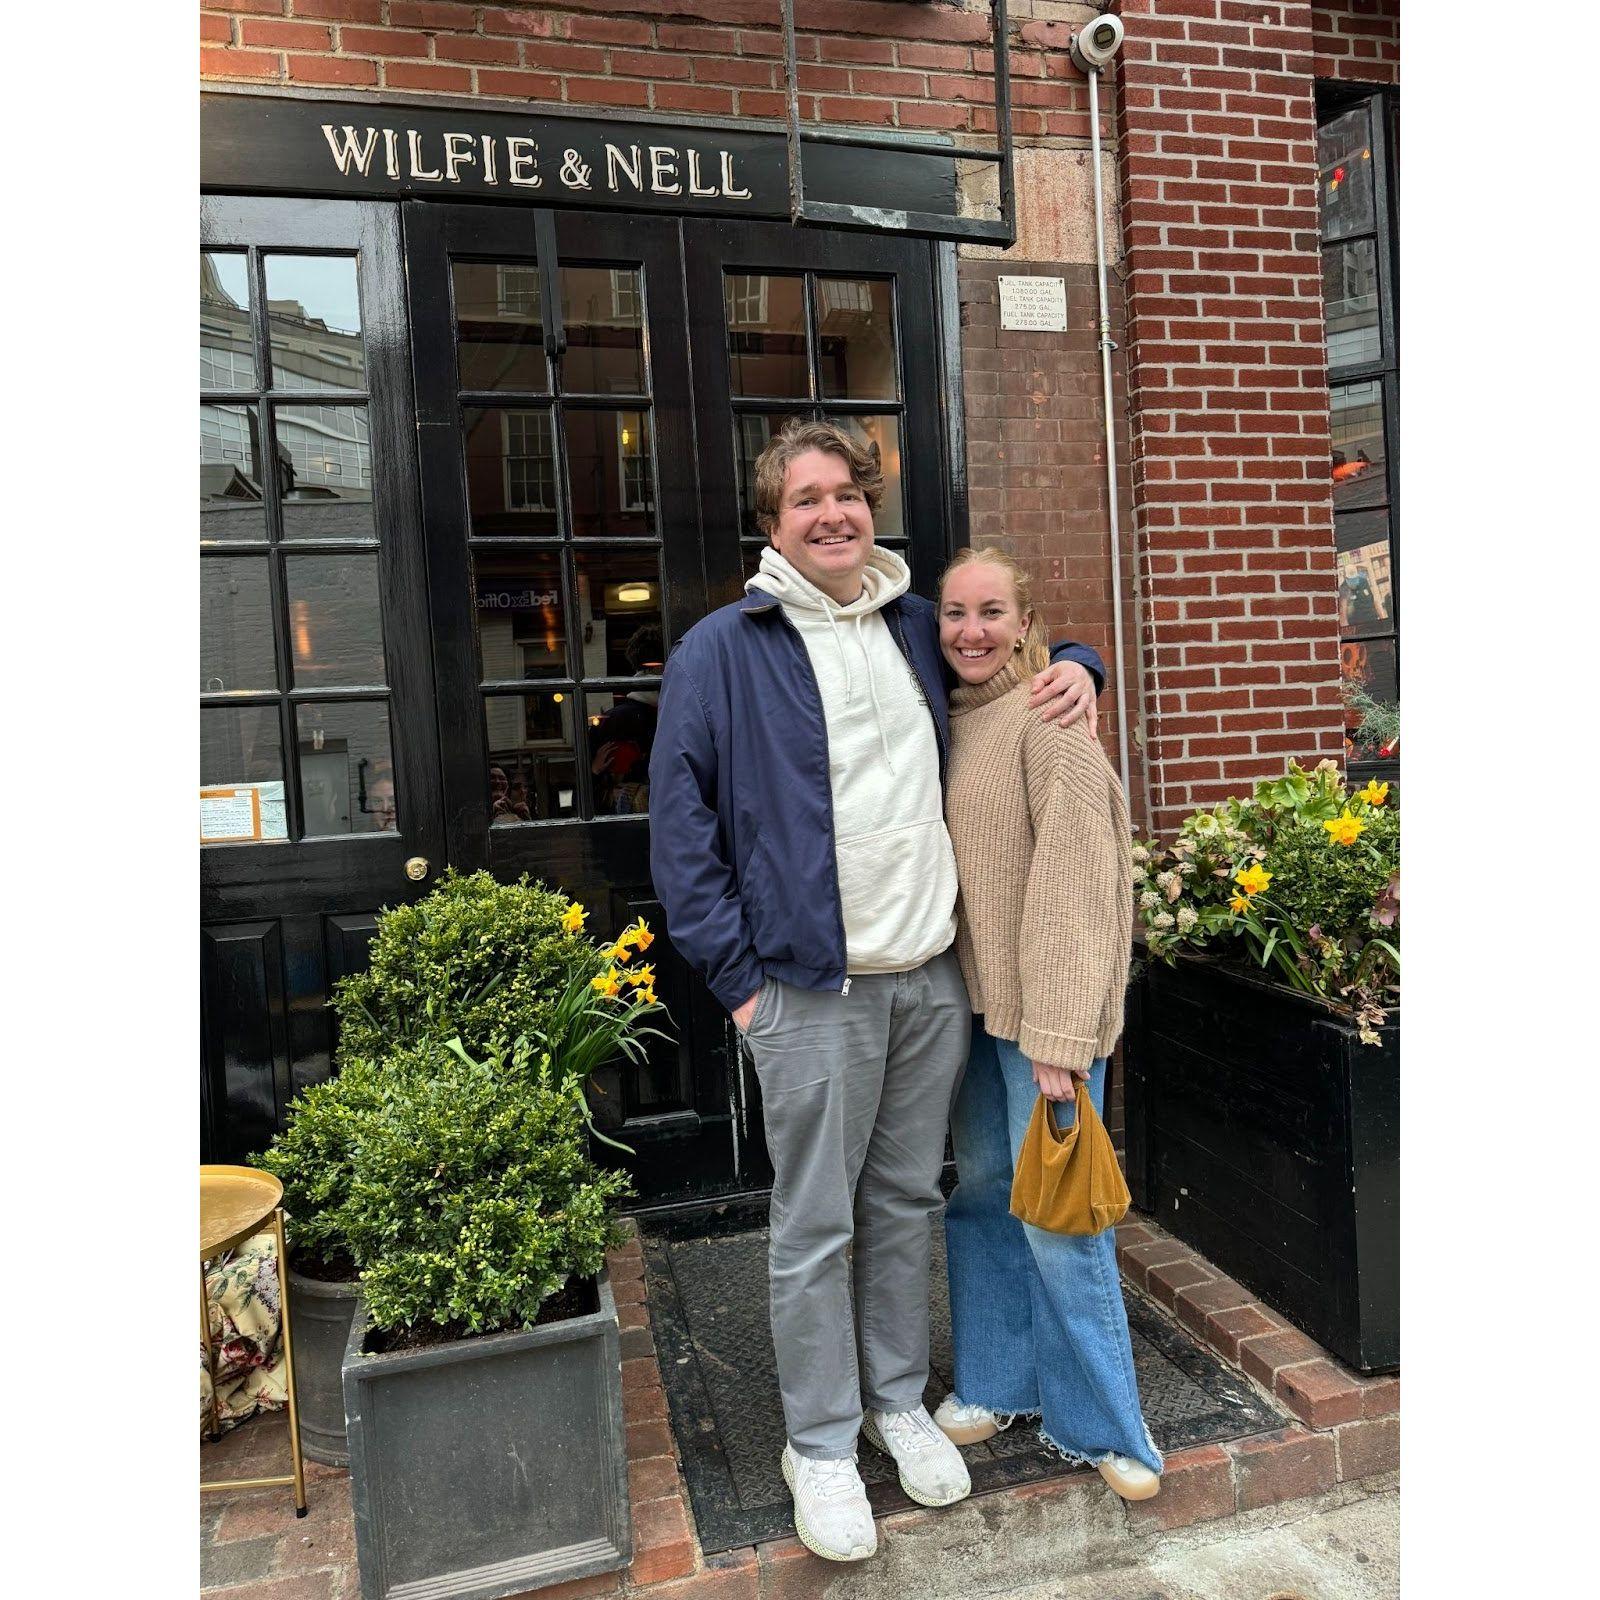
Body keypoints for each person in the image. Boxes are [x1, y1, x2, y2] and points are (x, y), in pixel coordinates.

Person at [648, 420, 1105, 1562]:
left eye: (846, 494)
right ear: (773, 525)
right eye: (805, 499)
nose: (832, 513)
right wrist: (742, 988)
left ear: (869, 508)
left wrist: (1081, 663)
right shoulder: (722, 648)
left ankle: (894, 1402)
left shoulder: (910, 623)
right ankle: (818, 1442)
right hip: (807, 990)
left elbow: (1004, 645)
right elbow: (682, 832)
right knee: (814, 1223)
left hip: (928, 978)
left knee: (905, 1200)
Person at [932, 546, 1162, 1503]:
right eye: (955, 613)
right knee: (986, 1195)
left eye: (992, 612)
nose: (972, 632)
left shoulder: (1051, 718)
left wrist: (1061, 1037)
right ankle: (999, 1380)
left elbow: (1078, 881)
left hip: (1044, 1024)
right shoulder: (949, 722)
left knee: (1064, 1220)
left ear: (1026, 623)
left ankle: (1107, 1425)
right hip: (978, 1011)